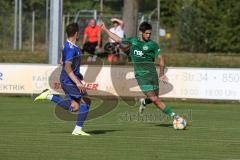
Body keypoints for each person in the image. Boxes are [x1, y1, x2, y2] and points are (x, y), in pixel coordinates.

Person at [101, 21, 181, 120]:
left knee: (154, 98)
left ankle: (144, 102)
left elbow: (161, 58)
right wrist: (104, 29)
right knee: (155, 99)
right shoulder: (133, 41)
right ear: (141, 33)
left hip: (152, 74)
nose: (148, 35)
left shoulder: (153, 45)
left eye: (150, 33)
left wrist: (161, 74)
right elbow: (117, 39)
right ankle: (175, 116)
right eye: (146, 33)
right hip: (141, 76)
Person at [34, 23, 91, 136]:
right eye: (78, 32)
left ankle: (49, 96)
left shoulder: (69, 46)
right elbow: (66, 66)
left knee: (74, 107)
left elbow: (62, 61)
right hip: (68, 81)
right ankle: (77, 130)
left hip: (68, 79)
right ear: (76, 33)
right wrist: (77, 82)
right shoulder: (70, 48)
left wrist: (77, 75)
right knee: (86, 101)